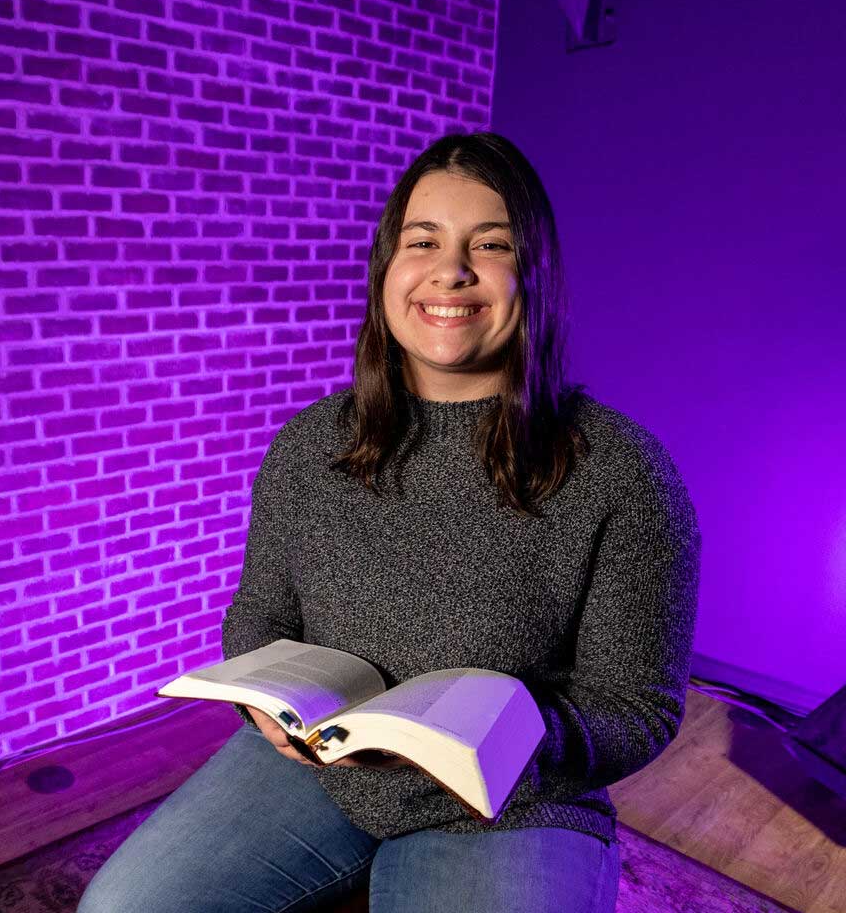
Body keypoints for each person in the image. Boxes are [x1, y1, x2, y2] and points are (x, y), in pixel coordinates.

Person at [75, 131, 701, 913]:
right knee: (122, 908)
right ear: (387, 272)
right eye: (424, 241)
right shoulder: (310, 446)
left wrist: (500, 750)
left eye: (492, 243)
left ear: (533, 277)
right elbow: (258, 617)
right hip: (318, 772)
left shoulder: (623, 470)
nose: (451, 271)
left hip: (507, 804)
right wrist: (263, 712)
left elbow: (637, 709)